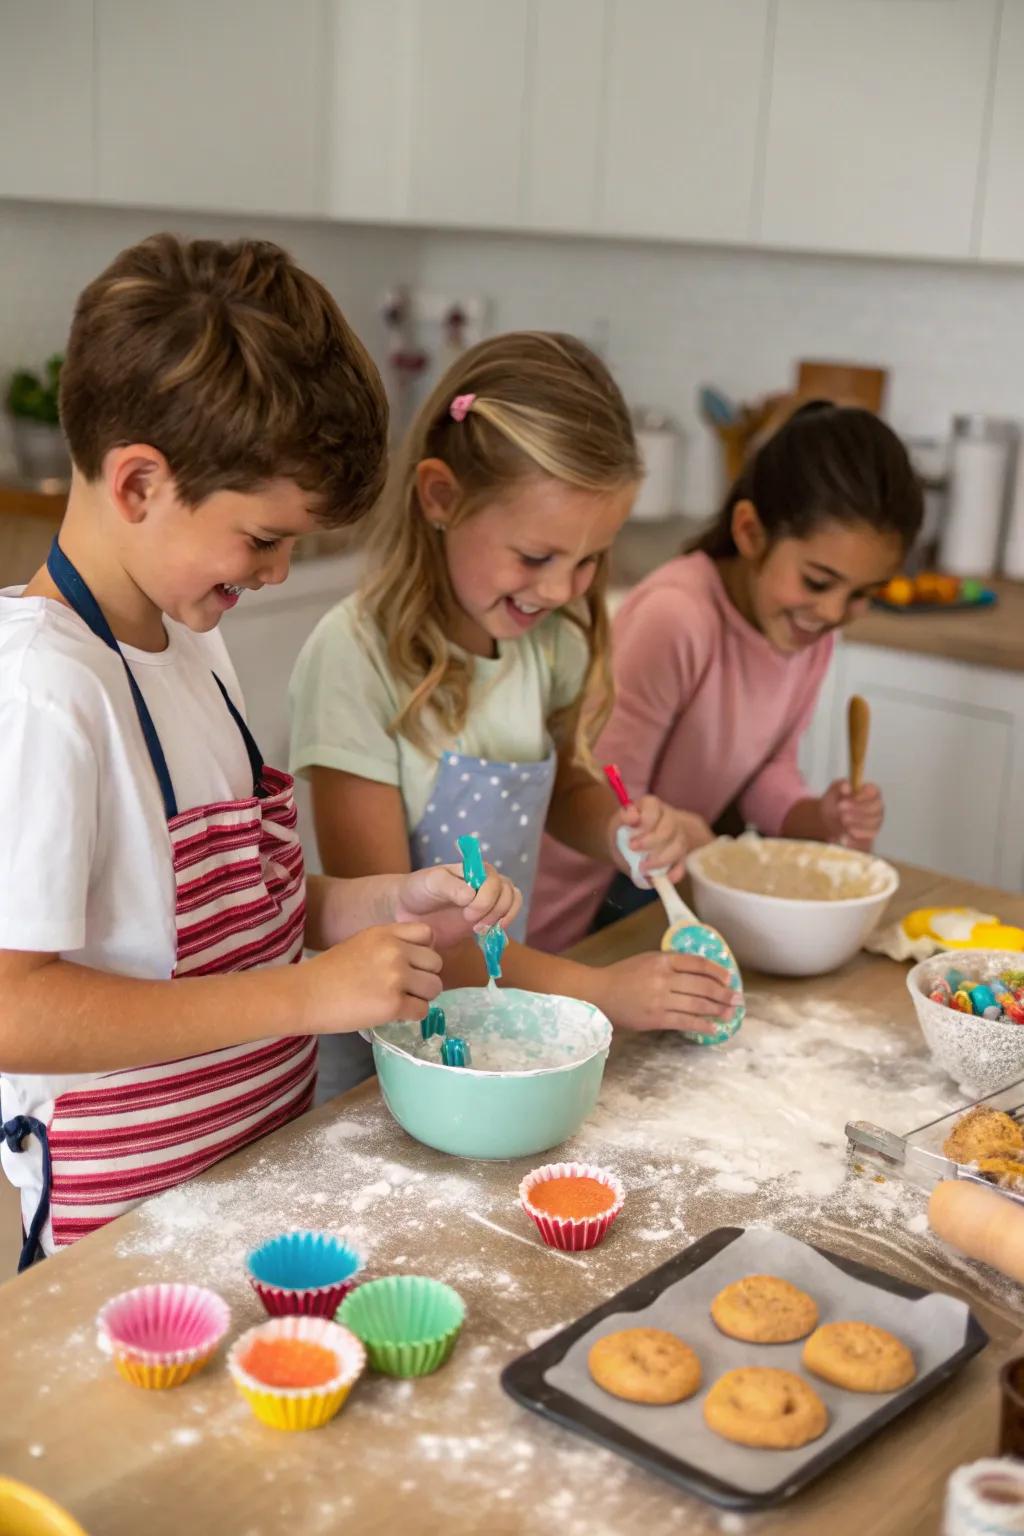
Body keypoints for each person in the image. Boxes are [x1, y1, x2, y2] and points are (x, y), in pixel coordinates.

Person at [0, 235, 519, 1269]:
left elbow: (225, 911)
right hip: (128, 1226)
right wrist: (305, 997)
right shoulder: (44, 694)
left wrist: (378, 904)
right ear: (139, 483)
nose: (279, 572)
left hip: (249, 1164)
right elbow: (13, 1008)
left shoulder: (192, 642)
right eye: (263, 538)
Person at [289, 331, 737, 1078]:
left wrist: (622, 836)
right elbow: (399, 928)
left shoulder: (547, 642)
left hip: (499, 1024)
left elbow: (559, 789)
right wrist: (599, 993)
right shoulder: (356, 659)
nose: (564, 590)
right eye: (536, 557)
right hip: (386, 1058)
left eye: (589, 558)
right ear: (441, 497)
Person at [530, 401, 923, 951]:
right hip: (576, 919)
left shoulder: (807, 632)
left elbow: (765, 773)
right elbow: (601, 793)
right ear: (750, 531)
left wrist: (819, 815)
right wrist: (688, 838)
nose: (834, 612)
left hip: (667, 896)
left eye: (861, 595)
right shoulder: (677, 619)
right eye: (817, 581)